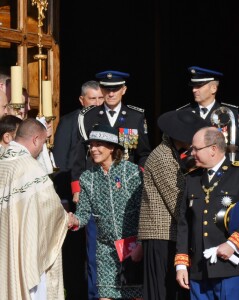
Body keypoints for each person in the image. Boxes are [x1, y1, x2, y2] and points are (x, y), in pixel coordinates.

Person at [71, 70, 152, 300]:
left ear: (123, 90)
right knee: (97, 259)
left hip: (128, 190)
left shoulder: (135, 116)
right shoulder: (88, 116)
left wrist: (137, 178)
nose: (110, 93)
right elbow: (80, 157)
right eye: (106, 89)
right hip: (98, 188)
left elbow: (143, 154)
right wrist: (78, 190)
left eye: (115, 88)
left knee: (134, 282)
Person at [175, 126, 239, 300]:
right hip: (199, 270)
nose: (191, 153)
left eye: (196, 148)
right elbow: (184, 223)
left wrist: (232, 244)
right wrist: (181, 264)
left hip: (231, 268)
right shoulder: (192, 179)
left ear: (213, 149)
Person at [138, 109, 208, 300]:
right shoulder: (163, 157)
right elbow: (176, 200)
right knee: (161, 291)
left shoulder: (175, 154)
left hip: (171, 234)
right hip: (161, 234)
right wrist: (200, 225)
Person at [69, 124, 144, 300]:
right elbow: (83, 214)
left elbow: (144, 212)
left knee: (136, 295)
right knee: (105, 296)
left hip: (132, 247)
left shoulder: (131, 173)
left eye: (98, 145)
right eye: (92, 145)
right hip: (106, 250)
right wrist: (73, 220)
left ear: (111, 147)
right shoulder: (88, 178)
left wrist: (141, 245)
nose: (93, 149)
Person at [0, 118, 72, 300]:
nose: (42, 149)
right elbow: (51, 209)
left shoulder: (3, 162)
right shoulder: (31, 168)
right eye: (43, 143)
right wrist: (67, 219)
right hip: (26, 249)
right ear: (36, 140)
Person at [52, 80, 104, 300]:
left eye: (101, 98)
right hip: (76, 198)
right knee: (76, 252)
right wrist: (65, 197)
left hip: (102, 197)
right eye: (93, 99)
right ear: (82, 100)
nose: (98, 103)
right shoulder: (69, 122)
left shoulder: (105, 120)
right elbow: (63, 164)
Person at [178, 66, 239, 162]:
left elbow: (237, 151)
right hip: (190, 172)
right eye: (193, 86)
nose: (194, 90)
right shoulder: (183, 113)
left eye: (199, 86)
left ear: (213, 88)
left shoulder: (228, 113)